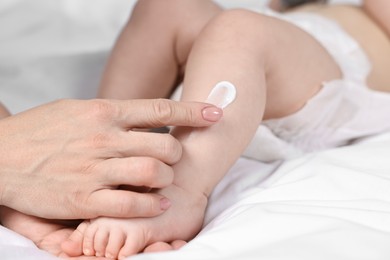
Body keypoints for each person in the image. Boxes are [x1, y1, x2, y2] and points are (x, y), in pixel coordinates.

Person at [4, 0, 390, 258]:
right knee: (169, 5)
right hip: (271, 59)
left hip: (340, 81)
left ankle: (182, 193)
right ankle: (113, 150)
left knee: (240, 30)